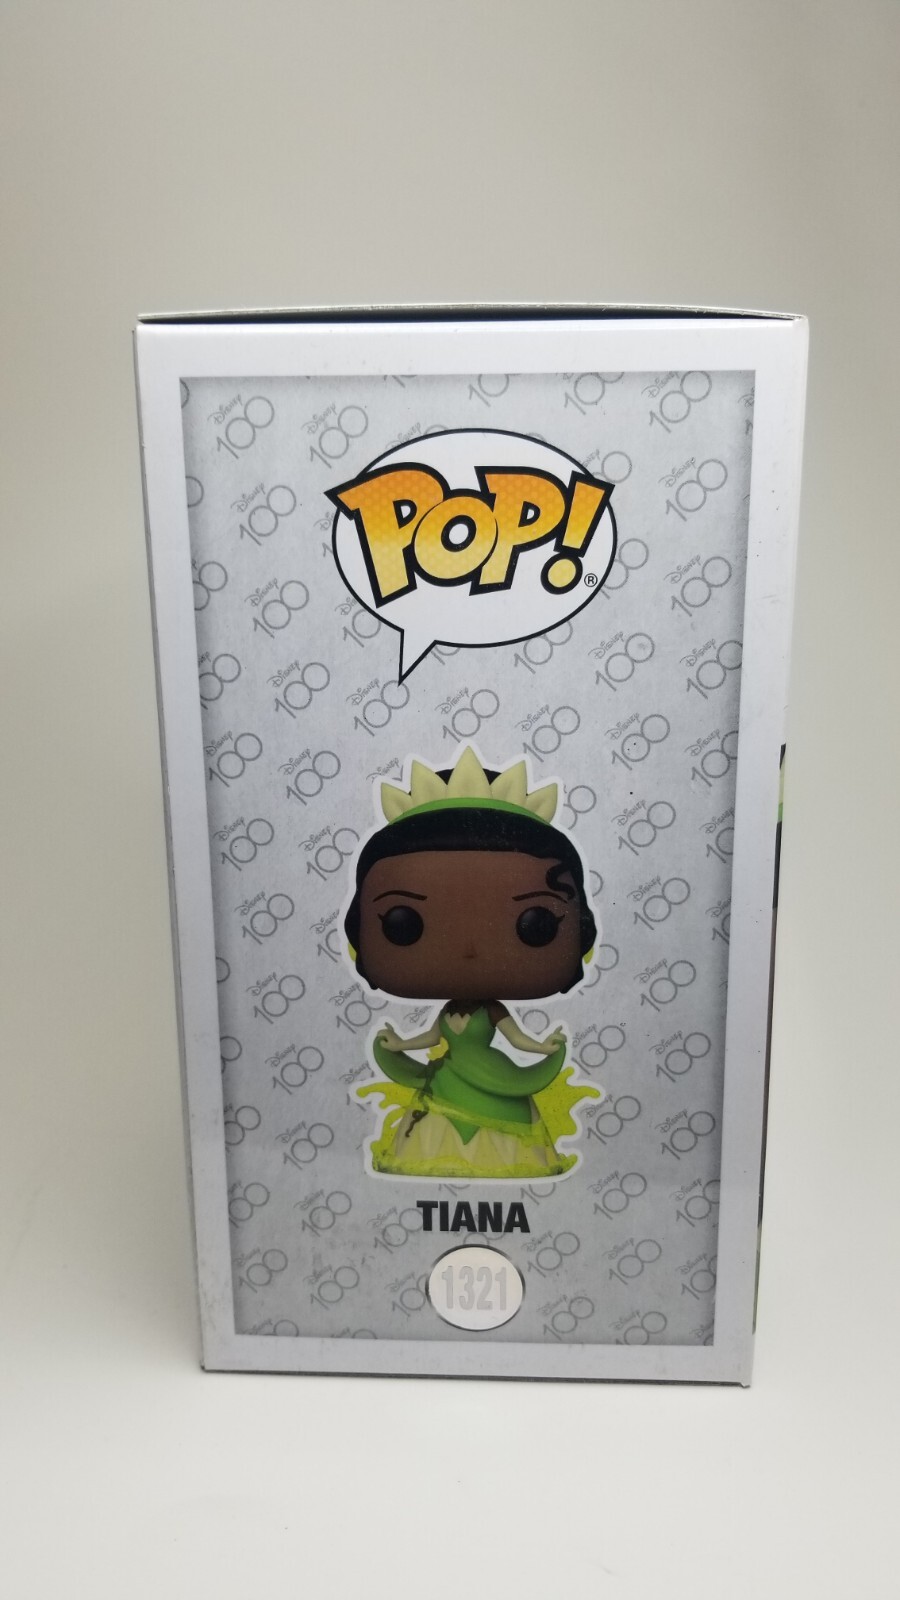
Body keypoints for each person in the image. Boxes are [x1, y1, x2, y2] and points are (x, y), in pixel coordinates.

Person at [345, 746, 599, 1179]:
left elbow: (517, 1038)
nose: (469, 949)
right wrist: (399, 1046)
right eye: (403, 924)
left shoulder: (493, 1011)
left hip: (493, 1078)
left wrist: (543, 1048)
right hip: (448, 1079)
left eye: (535, 925)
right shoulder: (449, 1013)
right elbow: (430, 1037)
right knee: (436, 1133)